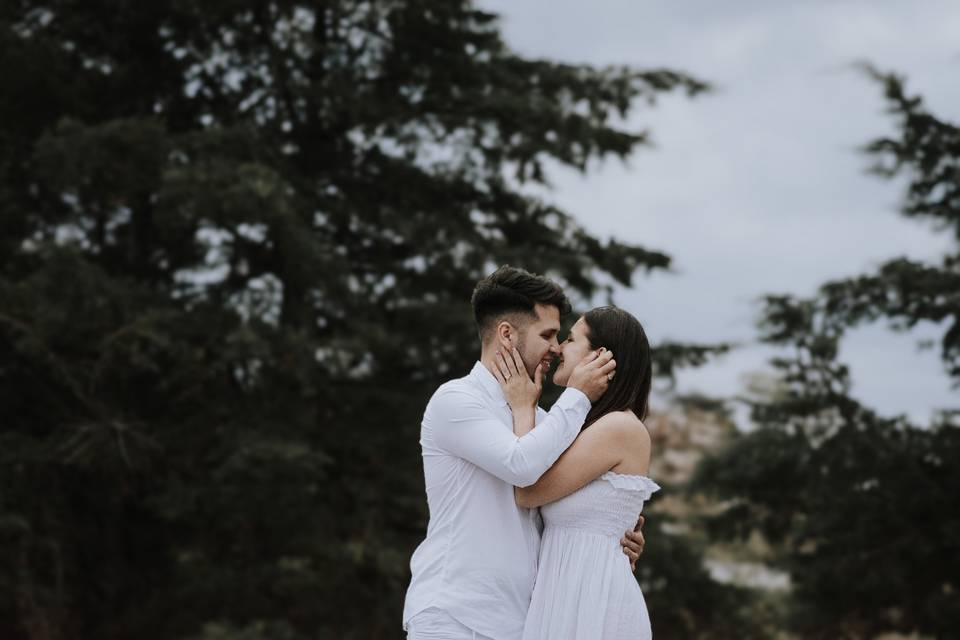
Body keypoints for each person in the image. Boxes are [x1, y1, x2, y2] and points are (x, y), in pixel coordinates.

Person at [403, 266, 646, 640]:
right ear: (506, 334)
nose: (556, 347)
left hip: (524, 621)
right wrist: (579, 394)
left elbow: (561, 501)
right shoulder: (456, 401)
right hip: (456, 616)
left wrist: (613, 537)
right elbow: (522, 469)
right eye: (548, 335)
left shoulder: (547, 421)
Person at [492, 306, 659, 640]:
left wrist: (523, 408)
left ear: (598, 356)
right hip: (563, 595)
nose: (558, 349)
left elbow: (528, 490)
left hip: (594, 601)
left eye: (569, 339)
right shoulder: (580, 427)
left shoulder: (620, 427)